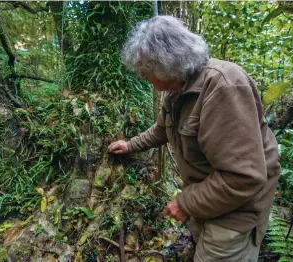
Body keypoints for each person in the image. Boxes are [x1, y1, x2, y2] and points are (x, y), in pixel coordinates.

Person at [108, 16, 280, 262]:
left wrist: (186, 203)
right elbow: (161, 130)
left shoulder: (224, 88)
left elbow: (244, 176)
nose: (143, 78)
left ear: (165, 64)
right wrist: (130, 145)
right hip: (207, 201)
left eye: (145, 71)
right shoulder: (177, 91)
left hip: (235, 215)